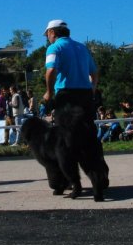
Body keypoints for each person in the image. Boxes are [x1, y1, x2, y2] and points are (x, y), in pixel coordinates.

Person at [43, 19, 109, 201]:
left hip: (66, 97)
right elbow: (94, 73)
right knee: (89, 138)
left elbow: (50, 71)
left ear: (53, 33)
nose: (47, 38)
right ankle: (100, 177)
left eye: (47, 34)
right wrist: (92, 90)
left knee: (66, 141)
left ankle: (65, 181)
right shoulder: (82, 48)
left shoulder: (54, 48)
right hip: (86, 96)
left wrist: (49, 93)